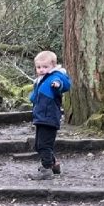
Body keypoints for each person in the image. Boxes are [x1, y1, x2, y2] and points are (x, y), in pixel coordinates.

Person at [29, 50, 71, 179]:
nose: (41, 70)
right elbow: (36, 96)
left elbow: (63, 84)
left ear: (53, 66)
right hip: (41, 117)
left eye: (45, 67)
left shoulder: (55, 76)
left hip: (49, 117)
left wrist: (57, 85)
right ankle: (53, 164)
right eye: (39, 67)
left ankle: (46, 169)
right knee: (38, 144)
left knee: (44, 145)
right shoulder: (41, 80)